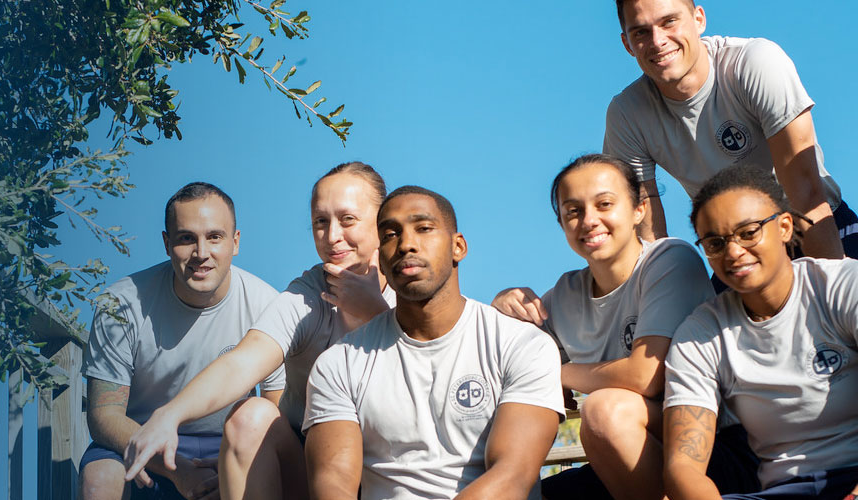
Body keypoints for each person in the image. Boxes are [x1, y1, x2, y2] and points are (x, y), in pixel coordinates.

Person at [661, 165, 858, 500]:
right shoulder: (699, 333)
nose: (733, 252)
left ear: (785, 227)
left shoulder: (850, 285)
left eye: (748, 232)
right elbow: (683, 466)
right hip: (786, 489)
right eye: (716, 243)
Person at [489, 154, 758, 500]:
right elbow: (504, 363)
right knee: (529, 494)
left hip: (716, 450)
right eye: (573, 211)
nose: (589, 220)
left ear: (639, 209)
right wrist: (501, 309)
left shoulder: (669, 260)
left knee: (605, 411)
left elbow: (645, 376)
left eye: (604, 204)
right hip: (634, 459)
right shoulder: (565, 295)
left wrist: (559, 374)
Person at [122, 163, 396, 500]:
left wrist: (376, 316)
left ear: (383, 223)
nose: (332, 236)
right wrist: (169, 415)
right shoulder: (308, 295)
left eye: (348, 219)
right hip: (310, 473)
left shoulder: (412, 289)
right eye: (320, 222)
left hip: (394, 471)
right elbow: (244, 361)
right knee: (250, 417)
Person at [306, 186, 564, 500]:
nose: (406, 244)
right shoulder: (339, 363)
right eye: (390, 234)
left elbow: (512, 477)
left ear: (458, 247)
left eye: (424, 228)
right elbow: (333, 485)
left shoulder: (522, 345)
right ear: (381, 259)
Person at [603, 0, 858, 262]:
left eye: (669, 22)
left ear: (699, 20)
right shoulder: (627, 115)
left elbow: (805, 192)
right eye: (641, 32)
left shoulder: (755, 63)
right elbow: (646, 238)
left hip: (812, 227)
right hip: (735, 249)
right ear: (627, 44)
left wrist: (832, 283)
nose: (657, 41)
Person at [81, 182, 282, 500]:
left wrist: (236, 465)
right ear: (166, 243)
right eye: (187, 238)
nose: (201, 253)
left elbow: (275, 413)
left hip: (228, 441)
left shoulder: (267, 305)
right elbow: (104, 415)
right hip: (140, 436)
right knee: (99, 478)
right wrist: (178, 471)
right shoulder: (121, 304)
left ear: (235, 242)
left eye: (214, 237)